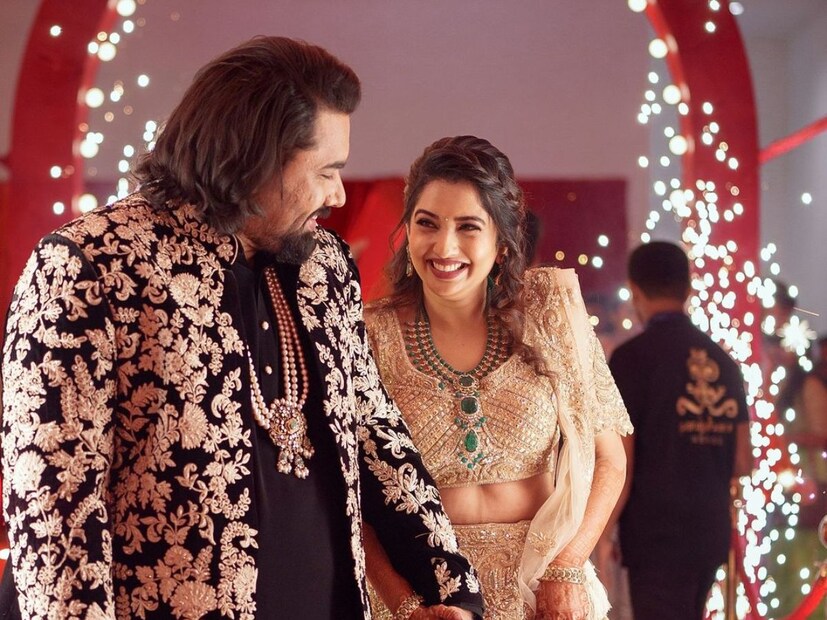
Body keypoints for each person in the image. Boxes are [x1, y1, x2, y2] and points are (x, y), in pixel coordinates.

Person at [0, 37, 484, 620]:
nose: (336, 193)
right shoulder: (91, 265)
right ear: (255, 160)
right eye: (327, 171)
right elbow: (54, 510)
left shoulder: (323, 265)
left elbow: (375, 435)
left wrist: (451, 592)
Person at [363, 135, 632, 619]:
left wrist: (568, 566)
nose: (444, 246)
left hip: (545, 589)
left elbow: (609, 459)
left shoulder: (551, 318)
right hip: (425, 596)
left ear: (502, 243)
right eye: (427, 223)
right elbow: (345, 490)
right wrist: (404, 606)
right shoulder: (366, 335)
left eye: (468, 227)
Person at [602, 241, 752, 620]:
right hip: (709, 532)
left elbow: (620, 463)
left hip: (655, 535)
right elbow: (743, 461)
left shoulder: (631, 359)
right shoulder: (724, 363)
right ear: (688, 288)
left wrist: (600, 534)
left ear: (635, 290)